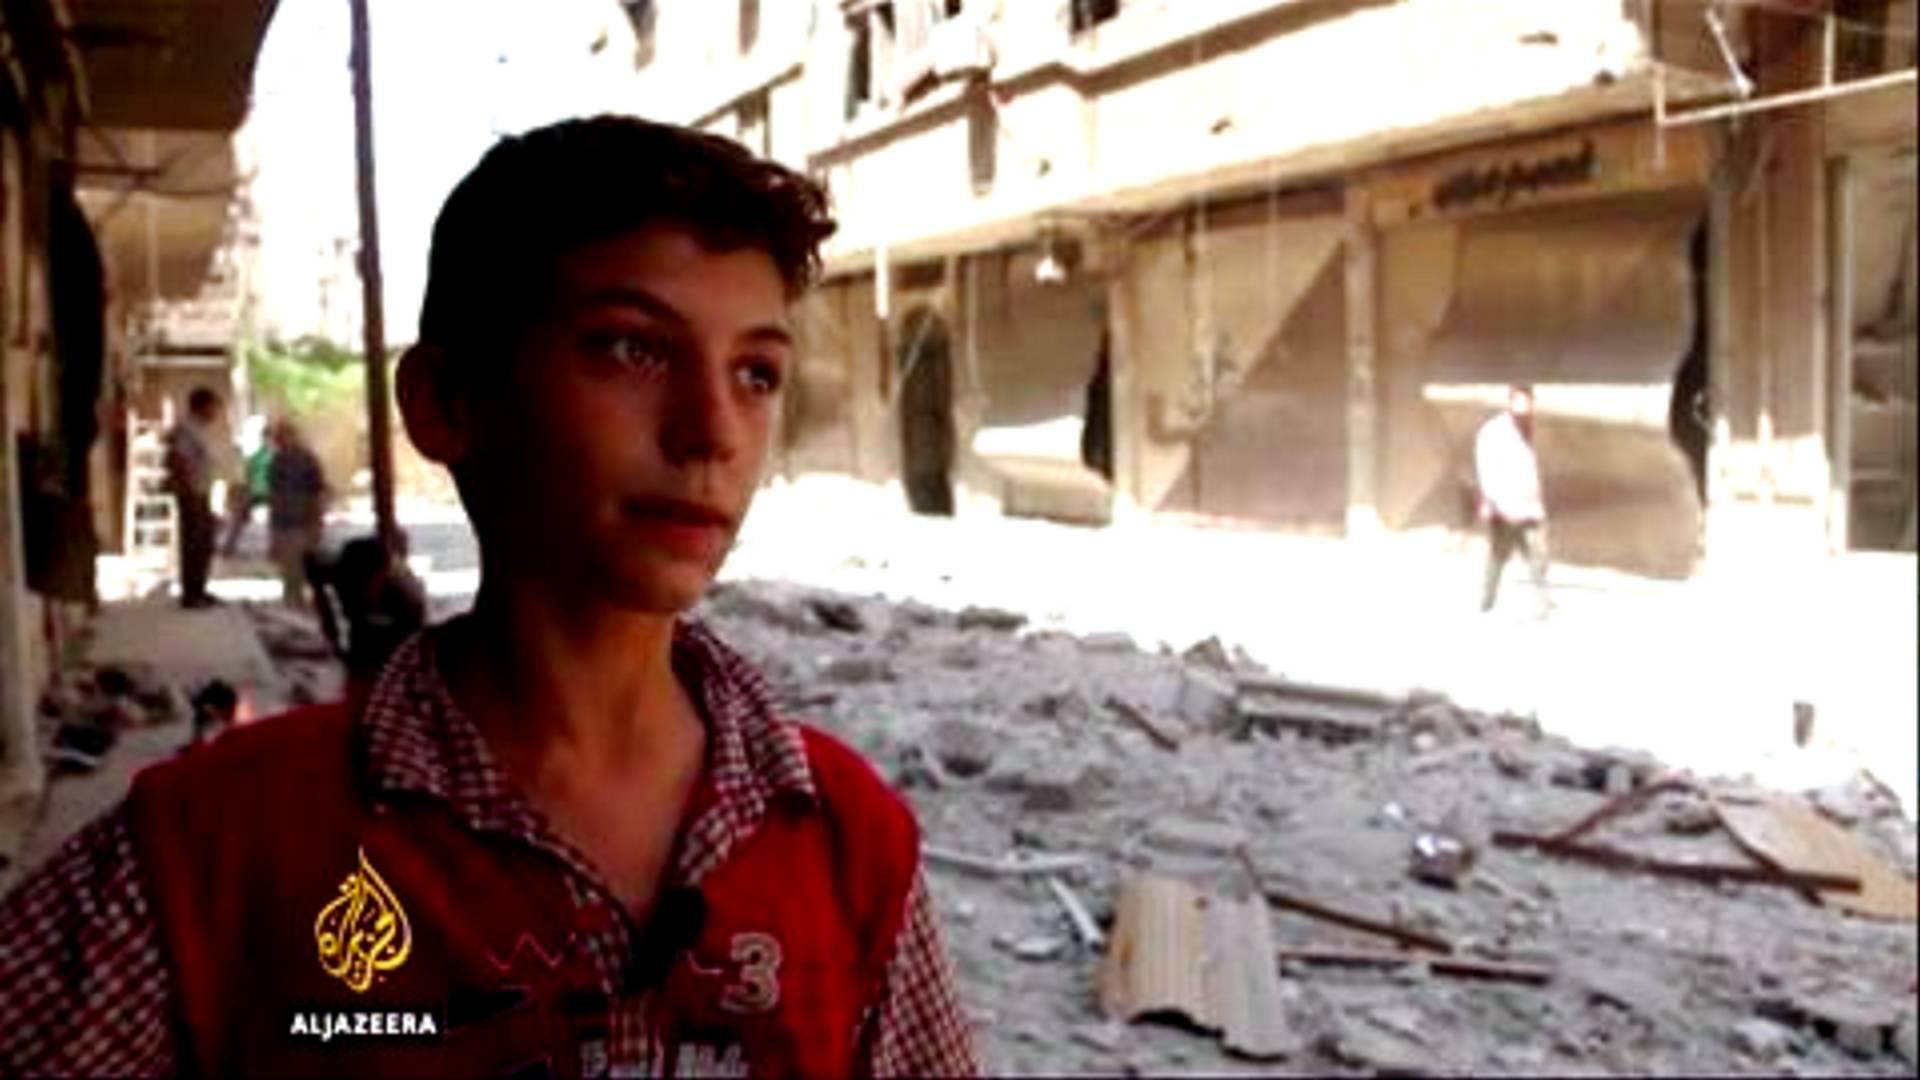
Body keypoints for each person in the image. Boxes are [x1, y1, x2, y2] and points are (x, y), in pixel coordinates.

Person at [0, 116, 979, 1077]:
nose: (714, 432)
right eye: (632, 349)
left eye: (757, 373)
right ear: (446, 402)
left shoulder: (846, 841)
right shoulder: (216, 851)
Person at [308, 535, 427, 708]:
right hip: (360, 636)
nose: (364, 589)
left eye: (370, 582)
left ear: (382, 574)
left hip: (393, 641)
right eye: (357, 582)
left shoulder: (406, 599)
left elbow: (414, 649)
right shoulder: (338, 576)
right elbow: (312, 563)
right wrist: (331, 632)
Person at [1474, 383, 1553, 617]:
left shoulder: (1528, 427)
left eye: (1527, 402)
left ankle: (1542, 605)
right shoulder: (1493, 431)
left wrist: (1537, 500)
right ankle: (1487, 601)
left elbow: (1530, 467)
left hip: (1528, 506)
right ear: (1509, 403)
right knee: (1498, 556)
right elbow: (1485, 467)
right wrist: (1494, 500)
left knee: (1538, 555)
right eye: (1518, 402)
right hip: (1503, 506)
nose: (1523, 407)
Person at [162, 387, 225, 608]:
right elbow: (179, 459)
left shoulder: (198, 429)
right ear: (203, 406)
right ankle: (191, 594)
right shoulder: (187, 429)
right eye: (213, 407)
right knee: (193, 543)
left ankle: (199, 589)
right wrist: (188, 490)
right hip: (191, 492)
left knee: (204, 542)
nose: (216, 412)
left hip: (201, 491)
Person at [266, 419, 329, 608]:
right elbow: (274, 495)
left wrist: (316, 520)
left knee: (304, 564)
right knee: (289, 565)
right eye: (278, 438)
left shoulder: (308, 460)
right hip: (283, 520)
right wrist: (273, 530)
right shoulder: (276, 462)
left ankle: (303, 600)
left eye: (284, 436)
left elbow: (317, 491)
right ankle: (292, 599)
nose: (281, 441)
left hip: (303, 519)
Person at [222, 415, 275, 556]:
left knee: (279, 519)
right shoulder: (258, 455)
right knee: (239, 516)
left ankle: (276, 548)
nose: (267, 440)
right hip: (256, 491)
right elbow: (247, 473)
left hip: (270, 492)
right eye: (265, 437)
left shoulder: (273, 455)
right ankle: (229, 547)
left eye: (269, 437)